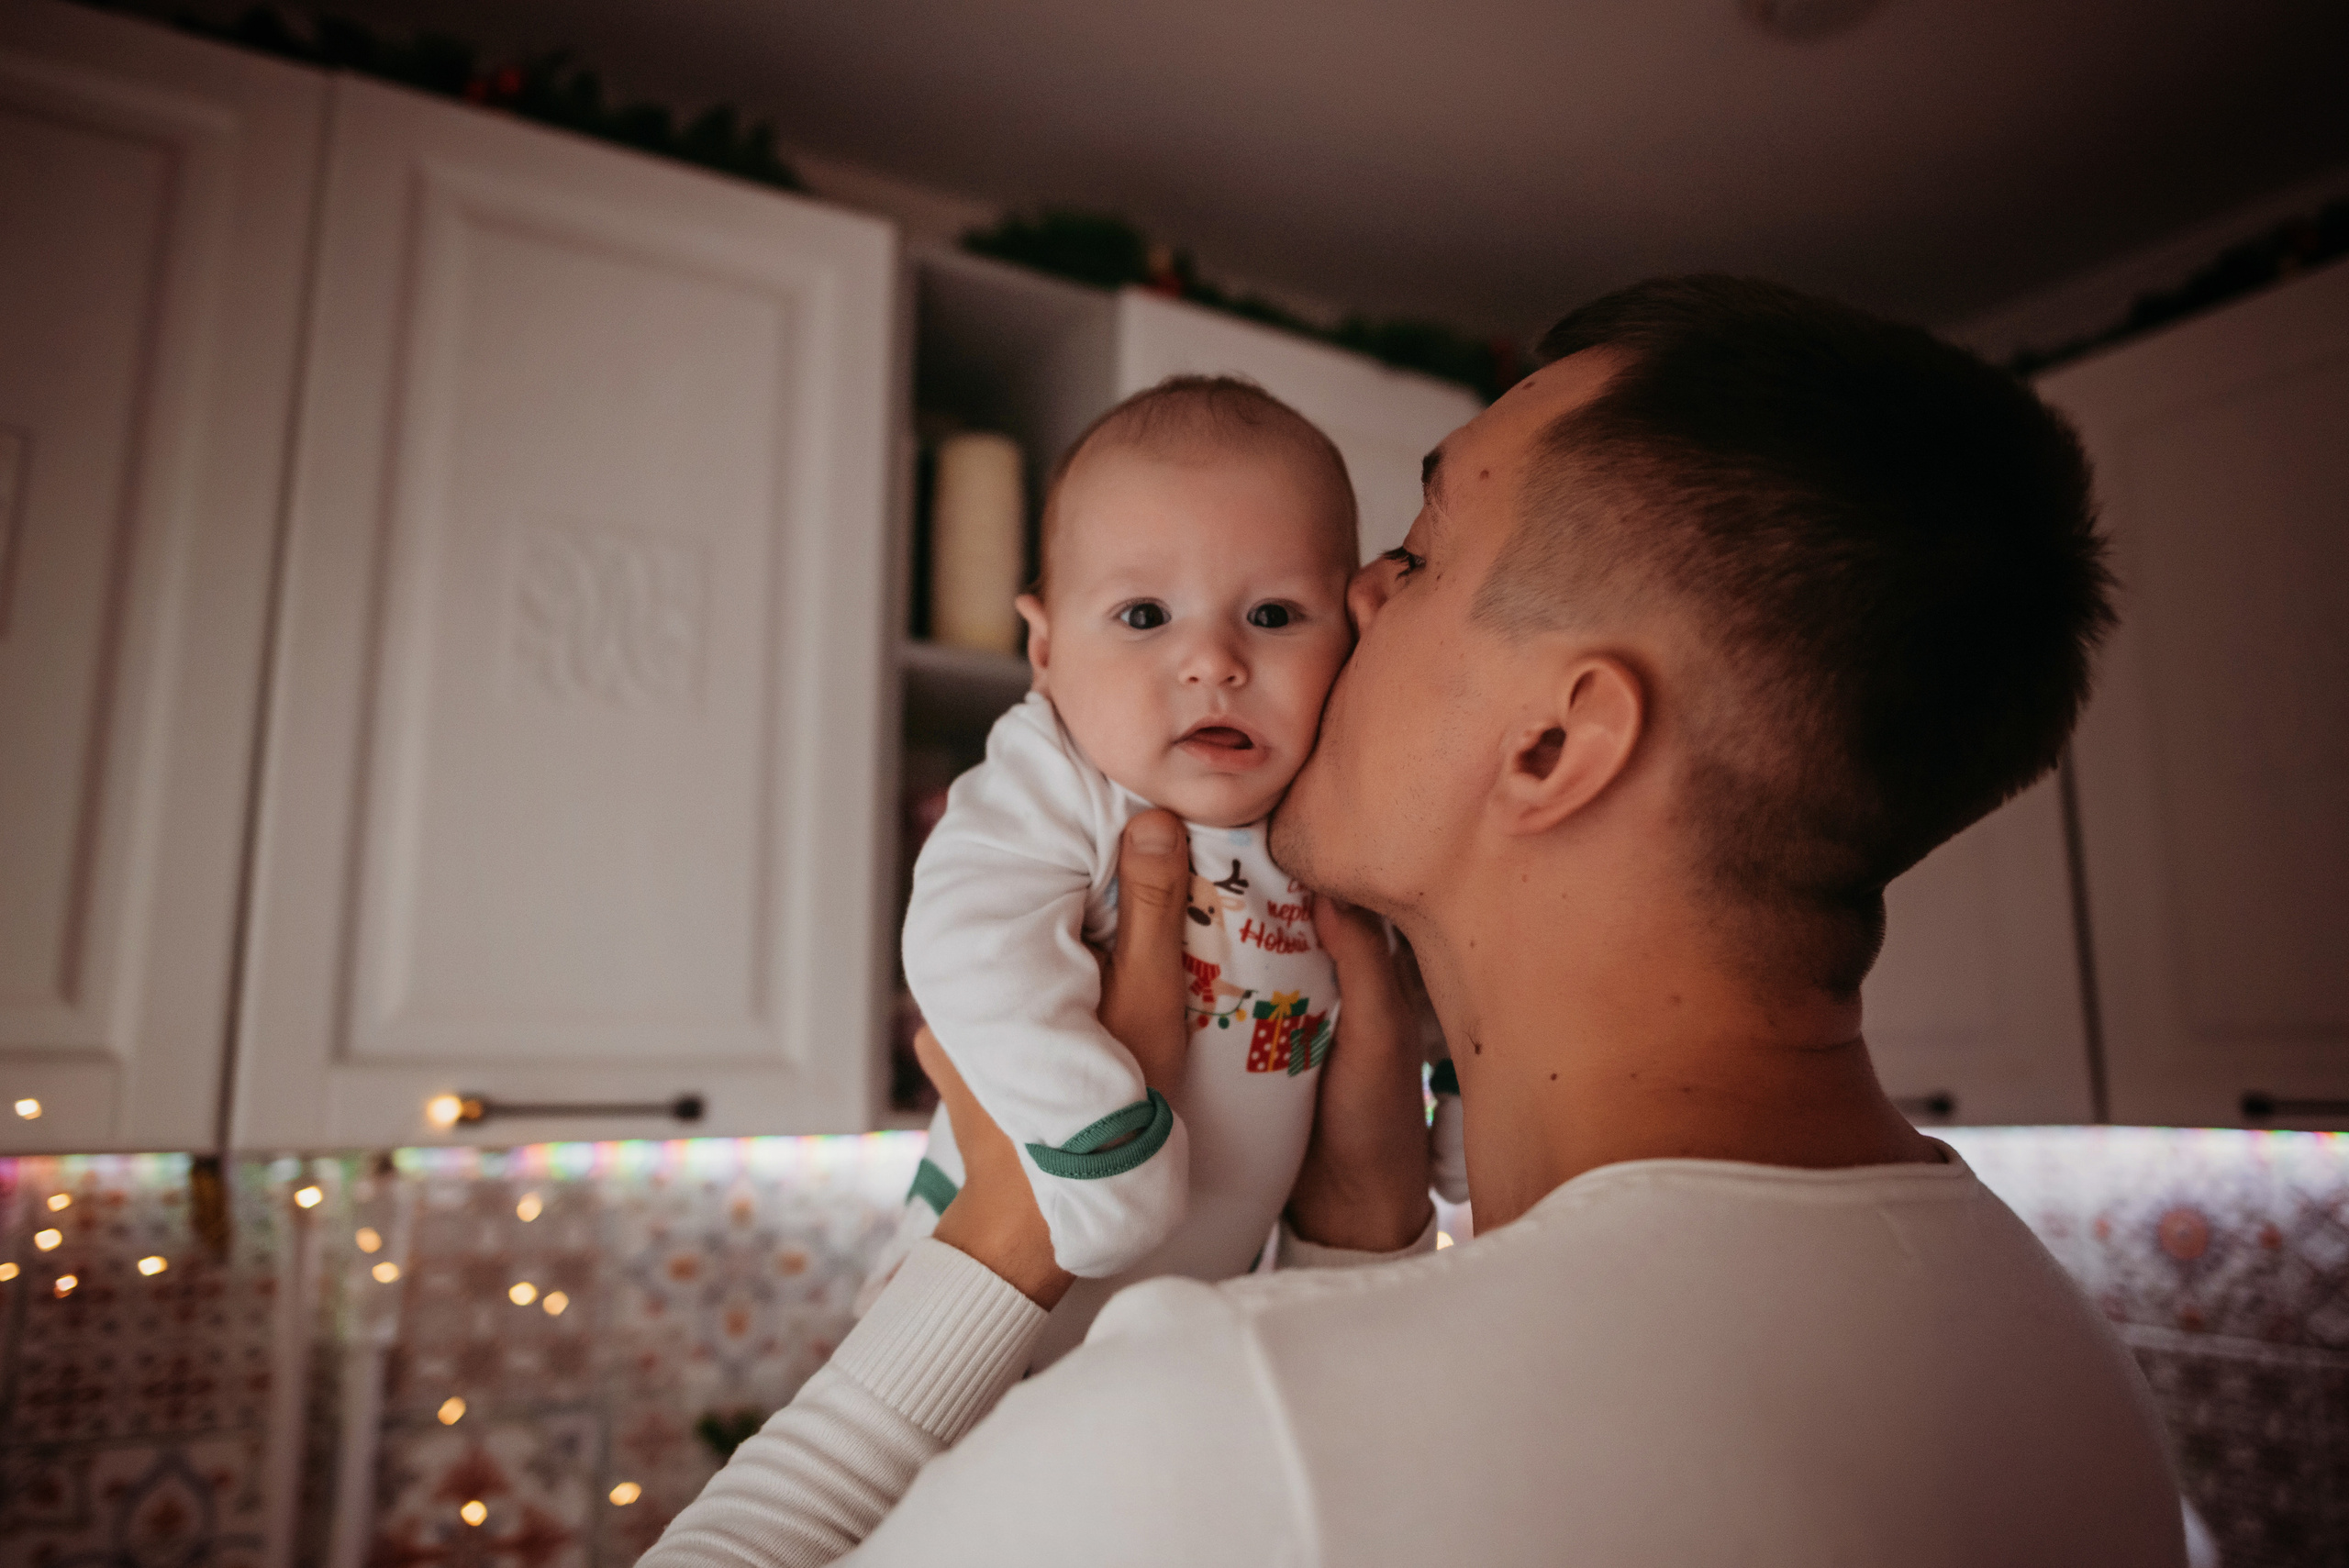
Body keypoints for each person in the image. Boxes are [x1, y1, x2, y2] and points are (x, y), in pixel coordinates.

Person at [642, 277, 2187, 1567]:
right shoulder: (2071, 1377)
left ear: (1552, 746)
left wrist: (1001, 1233)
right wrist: (1350, 1244)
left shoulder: (1229, 1430)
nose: (1357, 590)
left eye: (1422, 554)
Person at [865, 375, 1438, 1368]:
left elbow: (1426, 967)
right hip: (972, 1313)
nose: (1213, 659)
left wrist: (1457, 1105)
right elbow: (967, 940)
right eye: (1142, 615)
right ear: (1043, 648)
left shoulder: (1330, 815)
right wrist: (1099, 1138)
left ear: (1348, 640)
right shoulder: (1062, 779)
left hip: (1182, 1330)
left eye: (1271, 613)